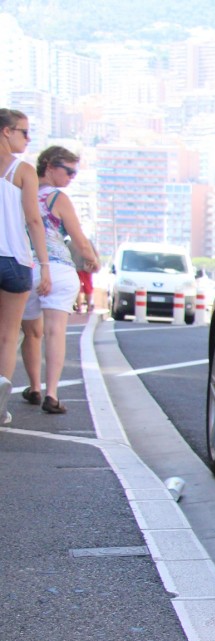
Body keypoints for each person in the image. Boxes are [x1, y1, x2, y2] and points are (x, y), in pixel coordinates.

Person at [19, 145, 98, 414]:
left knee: (31, 332)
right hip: (60, 269)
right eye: (68, 171)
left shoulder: (21, 193)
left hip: (26, 267)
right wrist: (91, 260)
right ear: (50, 166)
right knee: (55, 332)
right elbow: (78, 238)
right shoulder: (58, 198)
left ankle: (34, 387)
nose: (71, 178)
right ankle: (51, 393)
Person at [0, 109, 51, 426]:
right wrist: (45, 265)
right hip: (14, 261)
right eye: (24, 132)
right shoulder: (23, 171)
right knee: (7, 337)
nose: (28, 138)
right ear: (6, 131)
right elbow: (34, 221)